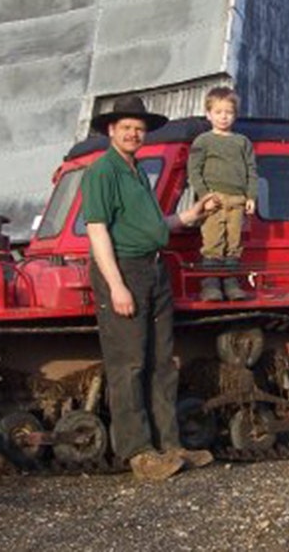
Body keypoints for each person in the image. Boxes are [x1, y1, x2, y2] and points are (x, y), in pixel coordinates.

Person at [81, 96, 219, 482]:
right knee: (129, 367)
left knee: (161, 363)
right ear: (111, 130)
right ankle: (139, 454)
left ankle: (170, 446)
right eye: (126, 127)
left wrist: (191, 215)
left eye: (139, 128)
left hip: (154, 270)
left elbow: (154, 225)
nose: (133, 133)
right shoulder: (102, 172)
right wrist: (117, 287)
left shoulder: (136, 171)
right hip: (125, 272)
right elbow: (97, 231)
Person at [186, 87, 258, 301]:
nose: (223, 116)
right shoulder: (203, 141)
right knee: (213, 243)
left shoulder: (242, 142)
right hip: (213, 200)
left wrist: (251, 196)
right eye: (218, 112)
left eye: (228, 112)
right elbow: (194, 171)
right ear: (208, 114)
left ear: (234, 115)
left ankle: (231, 283)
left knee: (234, 244)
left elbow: (251, 171)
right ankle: (210, 285)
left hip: (237, 201)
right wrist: (204, 196)